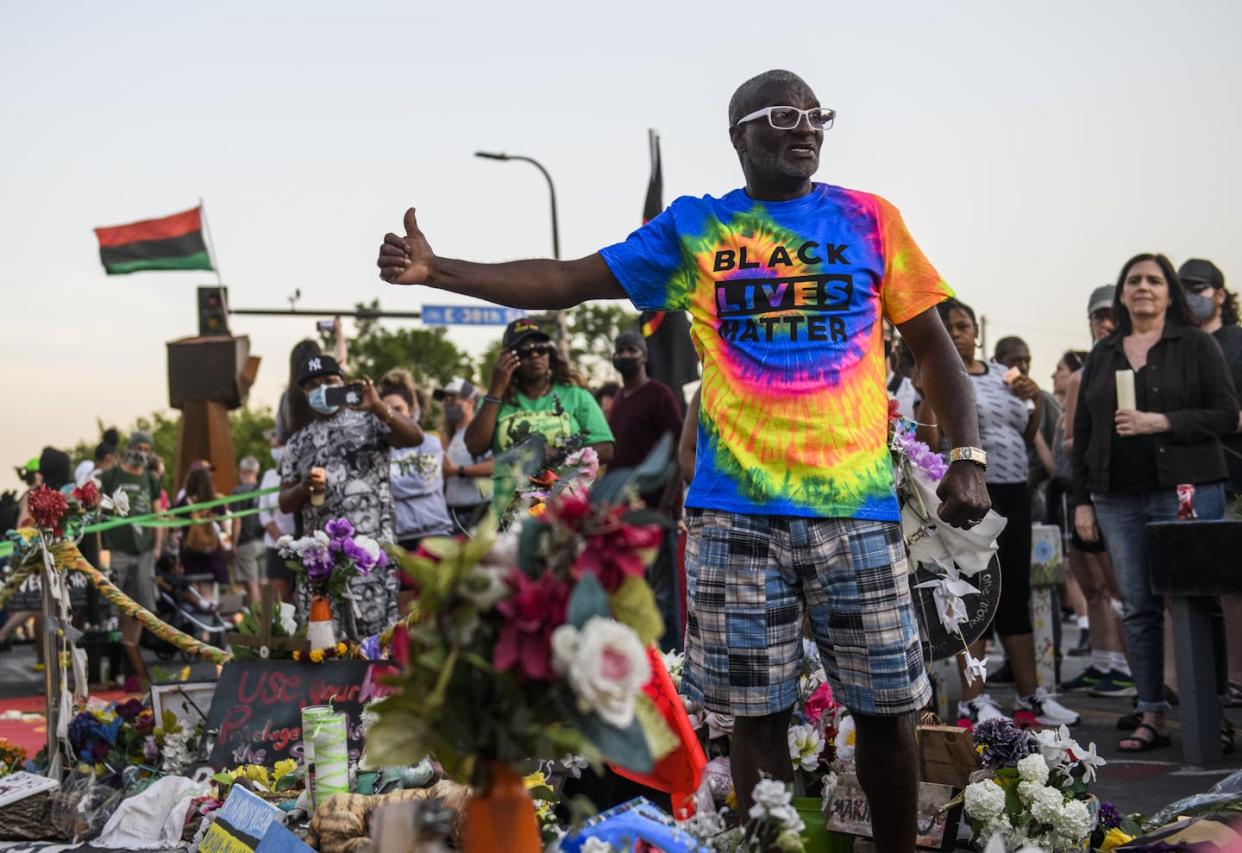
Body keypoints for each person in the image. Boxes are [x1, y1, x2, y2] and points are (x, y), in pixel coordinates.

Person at [376, 69, 991, 850]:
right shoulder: (697, 229)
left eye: (816, 115)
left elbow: (933, 348)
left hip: (857, 509)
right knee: (756, 716)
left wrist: (966, 451)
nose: (805, 127)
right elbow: (568, 280)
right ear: (740, 135)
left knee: (887, 711)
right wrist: (440, 270)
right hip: (737, 518)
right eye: (782, 115)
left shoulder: (869, 218)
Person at [1073, 253, 1239, 753]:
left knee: (1197, 601)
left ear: (1168, 292)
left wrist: (1160, 422)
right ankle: (1151, 714)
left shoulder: (1196, 345)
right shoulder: (1103, 352)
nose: (1143, 287)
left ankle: (1211, 715)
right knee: (1139, 607)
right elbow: (1084, 432)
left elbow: (1227, 415)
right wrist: (1081, 502)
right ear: (1123, 294)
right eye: (1134, 280)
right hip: (1115, 494)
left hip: (1186, 487)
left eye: (1154, 280)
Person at [920, 299, 1079, 729]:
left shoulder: (1001, 375)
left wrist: (1036, 402)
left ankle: (1032, 698)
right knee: (975, 594)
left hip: (1015, 494)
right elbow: (929, 434)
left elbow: (1025, 431)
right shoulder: (939, 375)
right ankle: (976, 698)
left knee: (1016, 594)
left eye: (963, 326)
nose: (956, 334)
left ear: (976, 332)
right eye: (948, 327)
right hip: (973, 497)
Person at [278, 353, 424, 639]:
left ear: (344, 383)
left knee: (377, 640)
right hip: (321, 564)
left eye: (329, 381)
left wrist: (379, 406)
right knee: (325, 643)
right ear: (305, 393)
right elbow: (284, 502)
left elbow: (414, 438)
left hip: (370, 557)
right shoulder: (297, 441)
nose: (322, 390)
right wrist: (302, 489)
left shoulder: (370, 421)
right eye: (314, 385)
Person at [465, 320, 614, 514]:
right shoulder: (497, 401)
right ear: (508, 358)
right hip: (511, 510)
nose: (535, 354)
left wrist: (560, 455)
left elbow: (606, 449)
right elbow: (474, 445)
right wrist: (496, 388)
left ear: (549, 354)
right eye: (525, 350)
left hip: (567, 507)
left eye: (541, 348)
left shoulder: (576, 395)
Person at [1180, 258, 1242, 707]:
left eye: (1197, 287)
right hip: (1193, 481)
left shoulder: (1237, 342)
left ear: (1221, 293)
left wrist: (1202, 421)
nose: (1189, 296)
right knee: (1207, 589)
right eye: (1180, 288)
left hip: (1236, 477)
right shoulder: (1179, 346)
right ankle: (1220, 683)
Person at [606, 330, 685, 649]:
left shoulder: (659, 394)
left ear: (644, 356)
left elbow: (679, 449)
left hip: (656, 510)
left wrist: (667, 504)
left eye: (631, 350)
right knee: (636, 591)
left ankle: (672, 661)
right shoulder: (620, 401)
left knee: (664, 595)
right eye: (620, 350)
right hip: (626, 512)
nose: (625, 356)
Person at [98, 431, 163, 684]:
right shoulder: (112, 476)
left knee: (141, 608)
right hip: (118, 550)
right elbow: (98, 508)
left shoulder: (151, 479)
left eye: (148, 449)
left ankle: (131, 666)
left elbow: (159, 515)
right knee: (115, 606)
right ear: (131, 448)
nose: (143, 454)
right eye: (140, 448)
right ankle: (123, 669)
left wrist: (158, 546)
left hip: (145, 550)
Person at [380, 369, 455, 552]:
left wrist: (382, 486)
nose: (392, 416)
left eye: (398, 409)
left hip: (433, 534)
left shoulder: (429, 443)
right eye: (386, 410)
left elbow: (422, 482)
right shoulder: (379, 448)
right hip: (394, 539)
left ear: (412, 409)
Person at [433, 377, 493, 533]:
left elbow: (495, 466)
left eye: (453, 397)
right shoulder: (450, 436)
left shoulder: (480, 433)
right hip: (451, 512)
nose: (448, 402)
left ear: (471, 401)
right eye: (446, 398)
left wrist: (458, 470)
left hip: (476, 512)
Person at [178, 466, 228, 612]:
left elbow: (175, 527)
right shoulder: (216, 502)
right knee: (209, 596)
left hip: (190, 555)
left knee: (194, 595)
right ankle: (206, 634)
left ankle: (195, 631)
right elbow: (224, 527)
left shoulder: (183, 503)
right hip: (211, 554)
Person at [258, 434, 296, 604]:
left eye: (278, 446)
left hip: (301, 543)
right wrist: (281, 539)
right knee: (279, 596)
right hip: (276, 545)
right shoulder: (269, 476)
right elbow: (263, 511)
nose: (275, 451)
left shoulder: (299, 472)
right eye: (272, 447)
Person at [229, 456, 266, 607]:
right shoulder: (264, 490)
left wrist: (233, 543)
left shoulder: (237, 492)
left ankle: (258, 624)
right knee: (264, 583)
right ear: (256, 471)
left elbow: (236, 520)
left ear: (242, 471)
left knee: (252, 586)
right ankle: (271, 619)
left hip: (246, 542)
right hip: (265, 541)